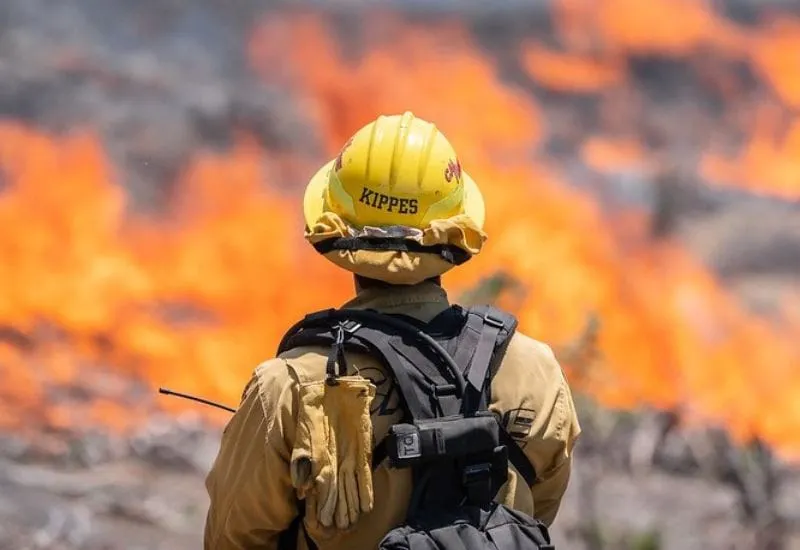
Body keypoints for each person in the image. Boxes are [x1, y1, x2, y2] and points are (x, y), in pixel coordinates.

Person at [203, 111, 581, 550]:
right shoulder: (534, 370)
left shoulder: (288, 386)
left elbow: (233, 538)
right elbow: (535, 512)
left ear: (335, 228)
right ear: (456, 231)